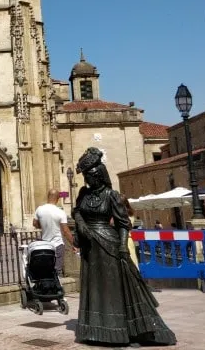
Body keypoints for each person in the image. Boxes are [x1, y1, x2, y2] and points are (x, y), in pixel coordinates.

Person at [73, 147, 176, 346]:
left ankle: (122, 330)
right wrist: (81, 225)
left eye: (91, 176)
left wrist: (122, 246)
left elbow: (123, 224)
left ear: (100, 175)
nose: (88, 180)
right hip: (91, 249)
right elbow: (77, 211)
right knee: (96, 289)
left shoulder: (112, 195)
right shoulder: (84, 194)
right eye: (86, 176)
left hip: (109, 245)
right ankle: (97, 329)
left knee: (115, 289)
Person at [33, 189, 74, 275]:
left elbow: (35, 224)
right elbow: (66, 231)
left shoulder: (39, 209)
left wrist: (44, 225)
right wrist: (74, 244)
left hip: (45, 245)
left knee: (47, 269)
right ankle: (58, 285)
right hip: (58, 245)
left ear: (48, 197)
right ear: (58, 198)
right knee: (57, 270)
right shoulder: (60, 212)